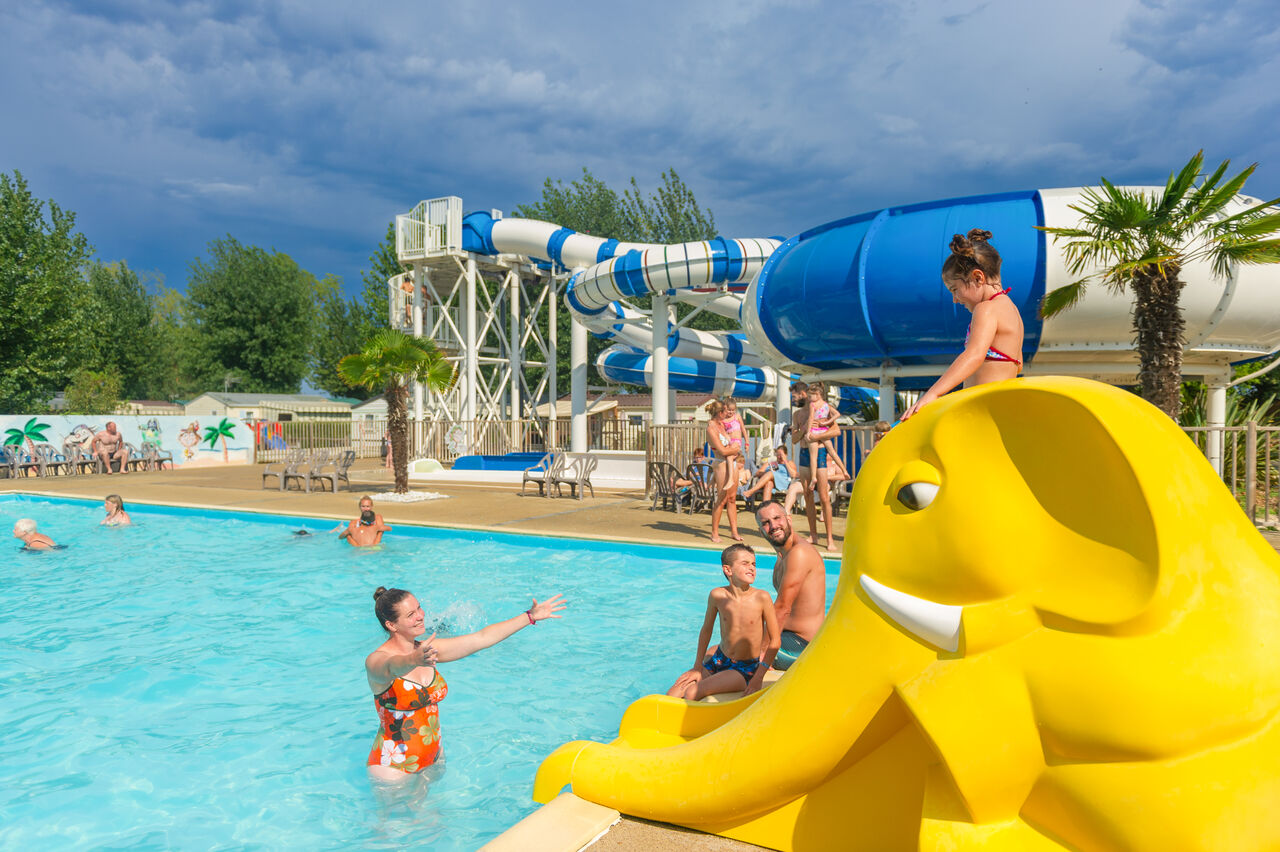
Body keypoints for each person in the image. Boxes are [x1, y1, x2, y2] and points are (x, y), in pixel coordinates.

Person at [365, 586, 567, 779]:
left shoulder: (427, 649)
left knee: (434, 815)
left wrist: (529, 617)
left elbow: (481, 638)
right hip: (393, 768)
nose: (420, 615)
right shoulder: (377, 661)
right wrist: (413, 660)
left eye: (419, 607)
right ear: (391, 625)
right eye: (411, 615)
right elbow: (392, 666)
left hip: (433, 757)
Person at [902, 229, 1024, 420]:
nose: (955, 299)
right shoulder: (1012, 311)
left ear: (978, 278)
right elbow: (1018, 365)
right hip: (1001, 411)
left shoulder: (986, 309)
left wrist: (933, 393)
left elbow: (974, 355)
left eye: (955, 290)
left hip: (983, 412)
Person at [667, 544, 780, 699]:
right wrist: (697, 666)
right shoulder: (717, 595)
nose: (752, 568)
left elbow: (775, 641)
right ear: (728, 570)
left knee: (692, 692)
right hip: (720, 659)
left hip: (745, 668)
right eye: (745, 563)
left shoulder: (762, 598)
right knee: (673, 693)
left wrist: (759, 676)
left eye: (754, 564)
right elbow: (706, 630)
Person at [754, 501, 827, 670]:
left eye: (777, 518)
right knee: (726, 645)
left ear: (788, 519)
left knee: (729, 652)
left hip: (801, 646)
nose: (773, 526)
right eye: (766, 523)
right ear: (760, 530)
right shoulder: (782, 555)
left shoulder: (799, 553)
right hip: (786, 636)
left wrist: (763, 652)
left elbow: (782, 609)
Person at [706, 397, 746, 543]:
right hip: (721, 463)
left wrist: (737, 448)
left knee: (732, 499)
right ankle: (714, 532)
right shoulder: (711, 428)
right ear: (719, 413)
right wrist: (735, 449)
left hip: (733, 463)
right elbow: (722, 451)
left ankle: (734, 531)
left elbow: (737, 433)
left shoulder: (722, 426)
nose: (728, 413)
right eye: (725, 411)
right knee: (721, 500)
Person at [803, 383, 849, 480]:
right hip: (823, 430)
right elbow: (837, 414)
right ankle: (844, 470)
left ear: (818, 394)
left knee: (813, 456)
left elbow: (811, 417)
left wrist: (808, 432)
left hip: (815, 430)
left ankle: (814, 477)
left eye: (810, 396)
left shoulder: (813, 405)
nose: (809, 399)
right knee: (832, 452)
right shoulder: (826, 405)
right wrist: (827, 422)